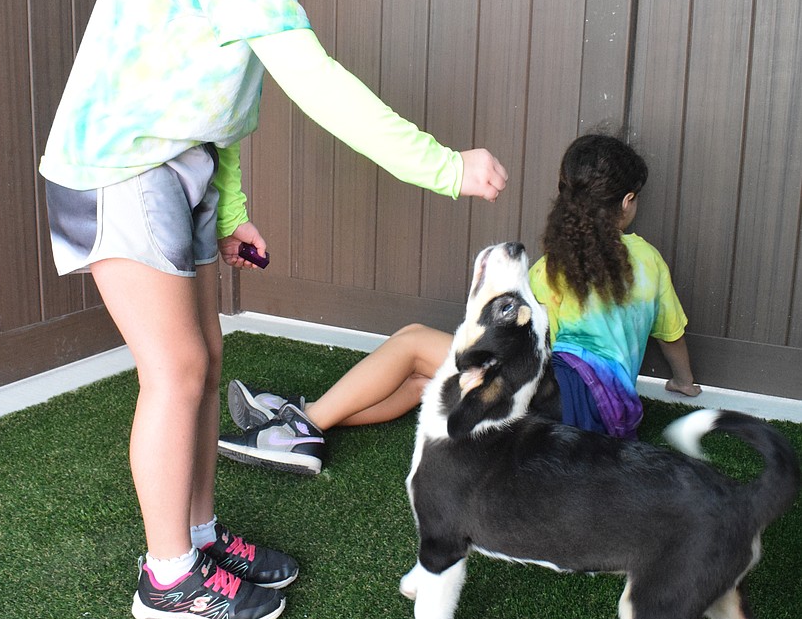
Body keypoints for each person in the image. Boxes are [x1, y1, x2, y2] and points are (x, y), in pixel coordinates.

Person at [39, 0, 508, 619]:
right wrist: (444, 165)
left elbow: (222, 95)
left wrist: (230, 210)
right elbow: (310, 80)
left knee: (205, 358)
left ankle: (201, 542)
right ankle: (169, 578)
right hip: (121, 164)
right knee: (176, 369)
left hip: (174, 162)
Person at [219, 132, 699, 474]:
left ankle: (303, 427)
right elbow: (671, 333)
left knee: (412, 341)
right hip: (608, 421)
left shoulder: (550, 268)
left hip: (564, 409)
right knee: (426, 377)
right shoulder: (649, 261)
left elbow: (529, 349)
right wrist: (684, 382)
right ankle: (301, 416)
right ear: (627, 200)